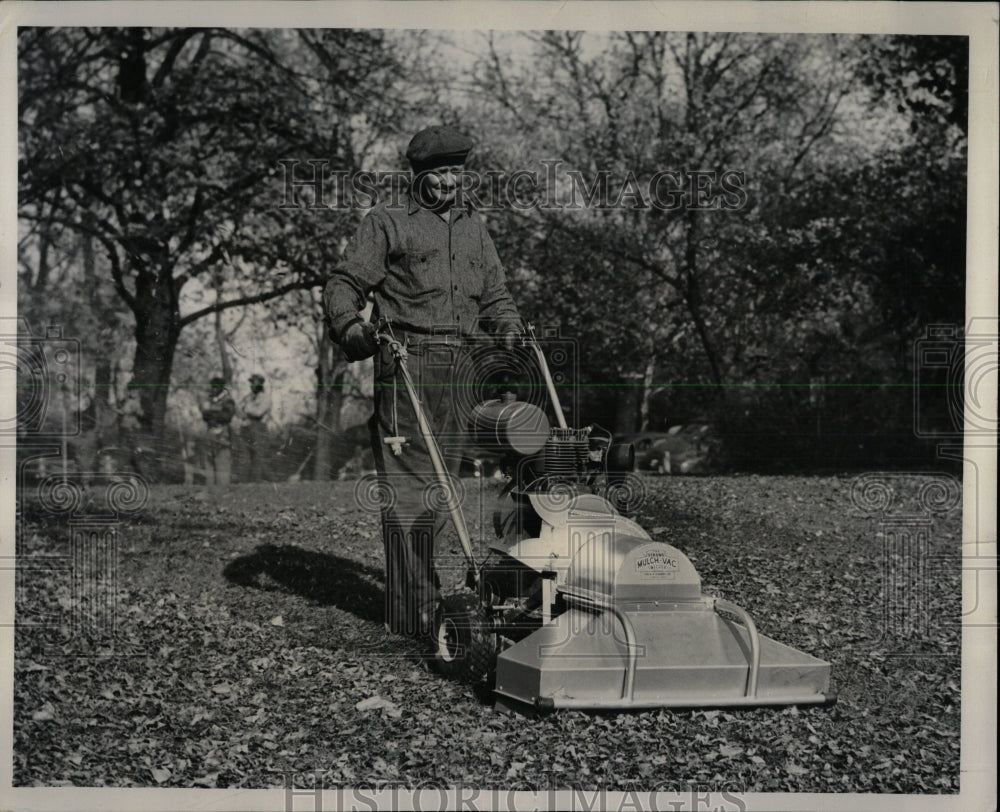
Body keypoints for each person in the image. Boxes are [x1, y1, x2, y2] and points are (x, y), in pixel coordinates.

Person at [323, 125, 522, 640]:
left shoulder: (476, 230)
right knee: (410, 486)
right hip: (404, 360)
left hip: (460, 365)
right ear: (419, 176)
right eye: (442, 174)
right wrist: (351, 327)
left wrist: (509, 328)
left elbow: (496, 295)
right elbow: (345, 283)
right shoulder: (386, 223)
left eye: (459, 172)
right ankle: (414, 613)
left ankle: (424, 602)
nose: (452, 182)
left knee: (443, 485)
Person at [198, 376, 236, 485]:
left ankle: (222, 494)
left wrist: (212, 414)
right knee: (209, 469)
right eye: (212, 387)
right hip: (210, 436)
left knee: (222, 468)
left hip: (223, 437)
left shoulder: (228, 400)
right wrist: (211, 414)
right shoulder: (210, 400)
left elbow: (226, 416)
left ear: (221, 388)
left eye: (216, 387)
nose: (213, 389)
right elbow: (204, 415)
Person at [240, 373, 272, 482]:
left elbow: (258, 412)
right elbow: (240, 411)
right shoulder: (248, 397)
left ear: (260, 384)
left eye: (254, 383)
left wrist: (247, 408)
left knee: (258, 457)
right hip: (246, 428)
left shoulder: (265, 397)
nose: (252, 385)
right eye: (251, 383)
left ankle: (260, 481)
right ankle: (247, 482)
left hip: (259, 428)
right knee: (246, 456)